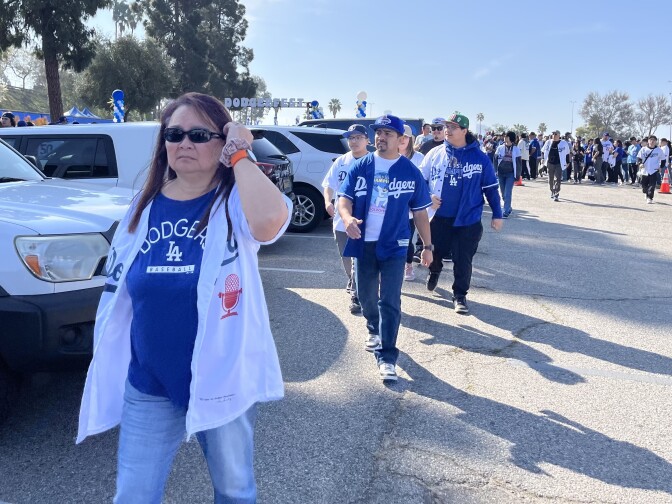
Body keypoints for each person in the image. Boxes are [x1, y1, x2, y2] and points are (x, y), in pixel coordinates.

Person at [76, 92, 292, 503]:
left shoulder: (234, 203)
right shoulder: (142, 206)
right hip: (149, 383)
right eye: (174, 134)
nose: (184, 143)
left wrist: (241, 152)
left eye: (199, 134)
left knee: (235, 490)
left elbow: (267, 224)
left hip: (220, 377)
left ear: (221, 140)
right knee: (133, 495)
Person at [338, 114, 433, 382]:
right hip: (363, 244)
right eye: (379, 132)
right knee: (367, 296)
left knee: (390, 300)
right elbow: (344, 199)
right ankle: (373, 327)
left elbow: (420, 214)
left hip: (394, 246)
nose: (381, 137)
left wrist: (427, 246)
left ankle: (387, 356)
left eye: (388, 133)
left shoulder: (410, 172)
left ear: (401, 140)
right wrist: (346, 219)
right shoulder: (361, 166)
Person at [419, 114, 503, 314]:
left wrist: (497, 214)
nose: (447, 130)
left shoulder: (480, 157)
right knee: (436, 253)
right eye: (446, 126)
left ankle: (460, 295)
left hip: (468, 219)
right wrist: (428, 196)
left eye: (453, 127)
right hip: (439, 218)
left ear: (464, 131)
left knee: (463, 259)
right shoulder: (435, 154)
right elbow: (420, 180)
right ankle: (435, 270)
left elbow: (491, 188)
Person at [322, 124, 369, 314]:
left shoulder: (374, 161)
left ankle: (357, 296)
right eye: (351, 138)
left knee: (360, 257)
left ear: (367, 140)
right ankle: (352, 279)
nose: (354, 141)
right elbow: (328, 184)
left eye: (358, 137)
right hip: (341, 221)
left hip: (364, 220)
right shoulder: (341, 161)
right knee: (346, 257)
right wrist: (327, 202)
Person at [398, 124, 425, 281]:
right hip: (390, 208)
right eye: (400, 136)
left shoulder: (419, 158)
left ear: (411, 139)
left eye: (406, 137)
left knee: (406, 240)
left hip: (411, 209)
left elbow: (423, 182)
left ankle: (408, 265)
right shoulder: (388, 156)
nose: (402, 140)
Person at [493, 131, 522, 218]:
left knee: (507, 192)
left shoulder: (516, 149)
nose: (505, 137)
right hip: (501, 173)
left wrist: (518, 175)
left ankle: (505, 211)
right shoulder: (500, 148)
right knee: (502, 193)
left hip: (510, 174)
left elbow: (519, 163)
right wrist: (495, 171)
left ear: (511, 138)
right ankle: (508, 207)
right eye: (505, 136)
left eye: (507, 136)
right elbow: (495, 160)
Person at [541, 130, 571, 201]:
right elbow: (543, 151)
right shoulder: (548, 142)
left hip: (559, 163)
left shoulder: (564, 143)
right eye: (553, 134)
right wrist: (542, 158)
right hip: (550, 163)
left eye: (555, 134)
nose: (553, 135)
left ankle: (556, 193)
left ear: (559, 135)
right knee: (550, 179)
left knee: (558, 179)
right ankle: (552, 190)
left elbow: (567, 153)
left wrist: (568, 162)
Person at [637, 135, 665, 204]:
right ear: (648, 141)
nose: (652, 141)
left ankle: (650, 197)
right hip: (645, 170)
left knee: (652, 185)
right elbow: (639, 158)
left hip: (654, 170)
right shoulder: (643, 149)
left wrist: (661, 167)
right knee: (644, 185)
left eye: (654, 140)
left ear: (656, 141)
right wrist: (640, 163)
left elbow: (663, 160)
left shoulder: (659, 150)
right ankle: (646, 193)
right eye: (650, 140)